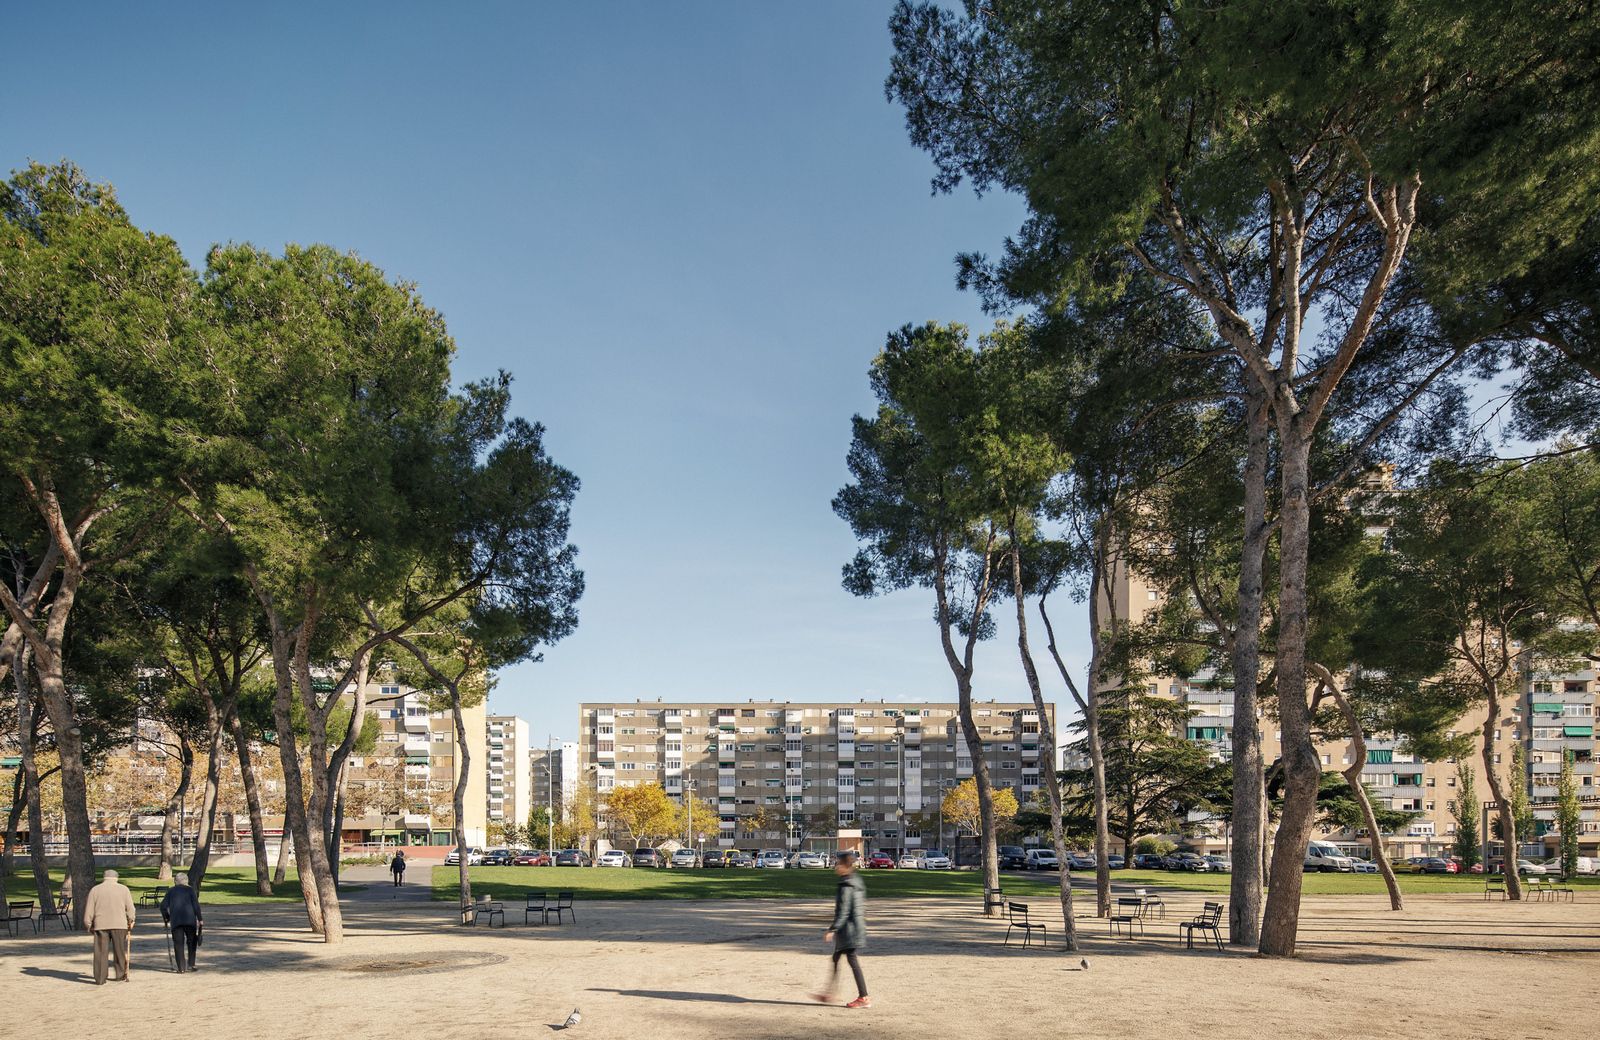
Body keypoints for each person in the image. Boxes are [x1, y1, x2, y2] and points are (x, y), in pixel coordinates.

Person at [813, 850, 870, 1009]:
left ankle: (864, 997)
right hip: (853, 927)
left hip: (849, 930)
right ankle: (830, 992)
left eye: (837, 864)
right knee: (837, 958)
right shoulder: (855, 881)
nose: (835, 867)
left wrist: (832, 929)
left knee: (852, 960)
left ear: (845, 866)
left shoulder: (846, 885)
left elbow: (844, 911)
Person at [83, 868, 136, 985]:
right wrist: (131, 920)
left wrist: (88, 924)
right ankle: (120, 974)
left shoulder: (95, 890)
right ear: (116, 878)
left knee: (100, 952)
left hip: (101, 924)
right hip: (119, 924)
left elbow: (89, 909)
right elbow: (130, 908)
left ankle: (100, 978)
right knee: (119, 951)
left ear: (104, 877)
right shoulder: (124, 889)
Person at [159, 873, 203, 973]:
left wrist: (167, 918)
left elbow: (163, 906)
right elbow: (196, 906)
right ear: (186, 881)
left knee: (178, 944)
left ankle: (181, 968)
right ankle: (191, 965)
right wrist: (200, 919)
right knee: (192, 943)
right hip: (190, 920)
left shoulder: (171, 891)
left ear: (175, 881)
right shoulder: (190, 890)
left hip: (176, 921)